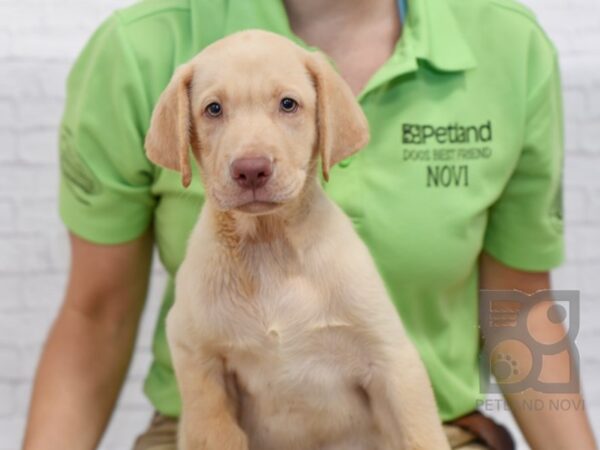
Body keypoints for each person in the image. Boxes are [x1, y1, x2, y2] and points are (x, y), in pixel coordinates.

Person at [22, 0, 598, 449]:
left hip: (426, 430)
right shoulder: (138, 49)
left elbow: (523, 308)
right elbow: (95, 315)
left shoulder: (509, 46)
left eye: (289, 106)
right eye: (215, 112)